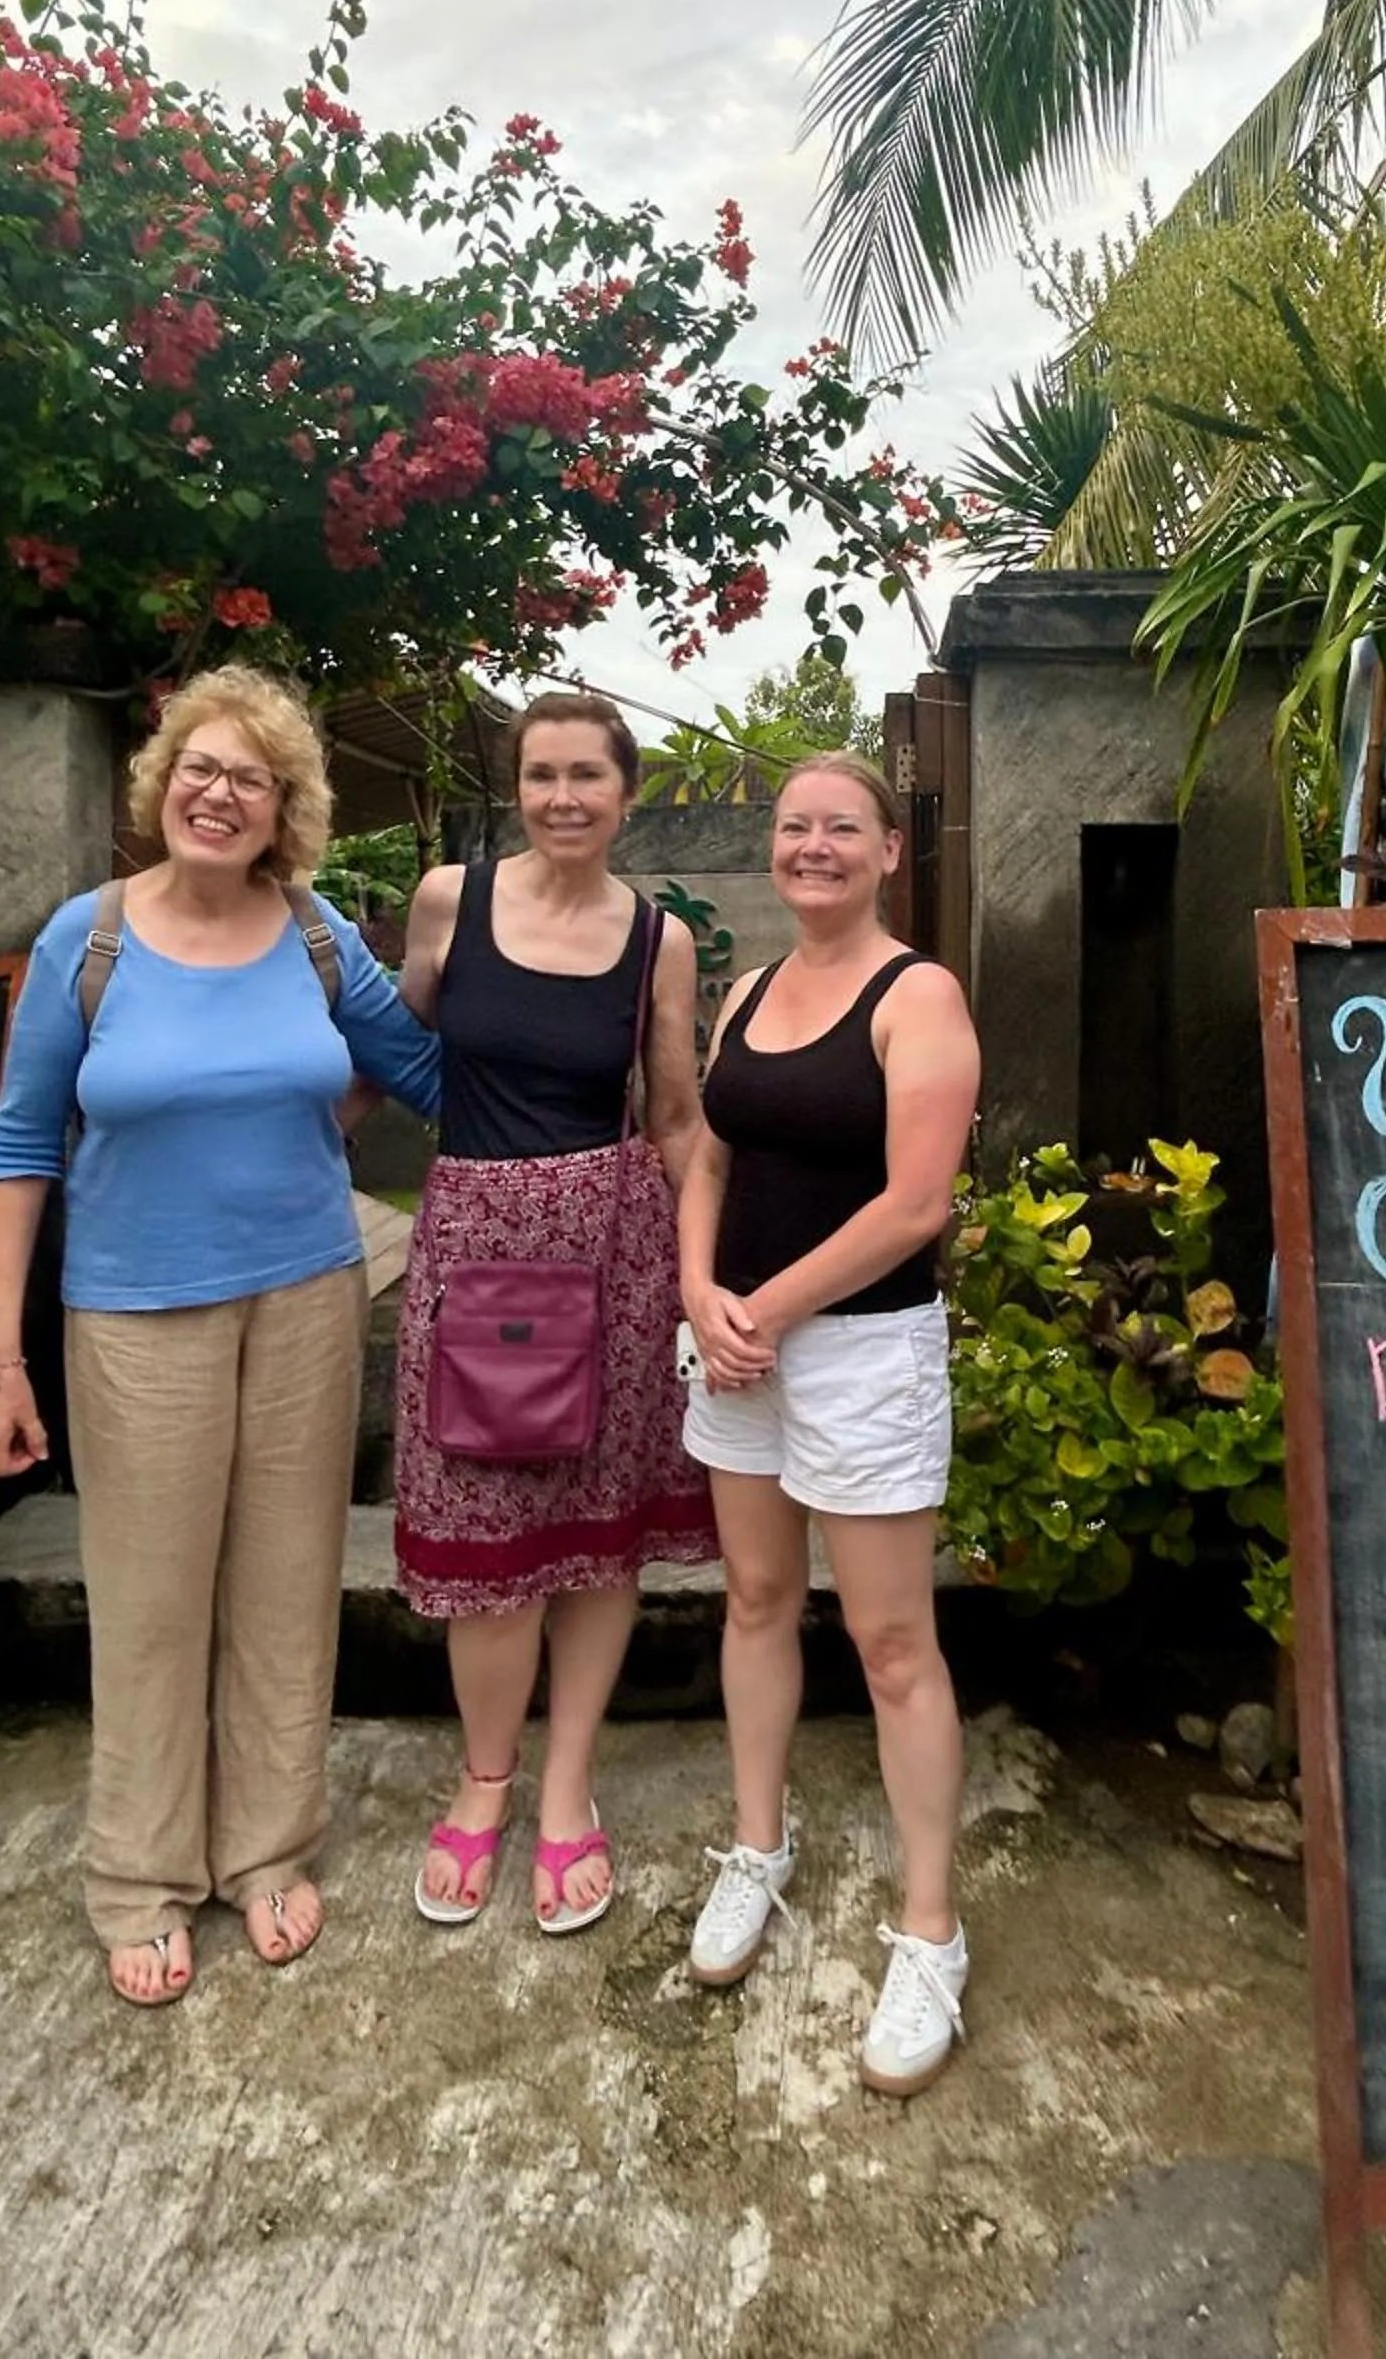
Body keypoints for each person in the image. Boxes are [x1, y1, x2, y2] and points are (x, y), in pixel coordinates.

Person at [0, 664, 441, 2008]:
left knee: (286, 1588)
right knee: (153, 1600)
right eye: (199, 767)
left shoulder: (309, 934)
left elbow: (420, 1069)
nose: (218, 793)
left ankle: (268, 1849)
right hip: (131, 1315)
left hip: (303, 1296)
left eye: (251, 777)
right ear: (160, 782)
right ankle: (138, 1876)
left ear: (284, 809)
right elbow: (16, 1144)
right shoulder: (90, 938)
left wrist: (576, 1034)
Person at [677, 753, 981, 2097]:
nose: (812, 846)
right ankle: (759, 1846)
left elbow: (917, 1204)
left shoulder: (917, 994)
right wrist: (701, 1290)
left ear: (884, 852)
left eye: (838, 828)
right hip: (738, 1345)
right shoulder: (745, 990)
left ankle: (932, 1930)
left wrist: (768, 1306)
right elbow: (709, 1154)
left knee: (891, 1640)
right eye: (794, 827)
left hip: (858, 1353)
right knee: (752, 1597)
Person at [393, 693, 716, 1933]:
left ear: (628, 792)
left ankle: (568, 1784)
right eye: (541, 775)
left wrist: (705, 1271)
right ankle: (485, 1785)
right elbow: (395, 1038)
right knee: (488, 1539)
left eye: (589, 774)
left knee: (595, 1529)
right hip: (473, 1245)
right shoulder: (447, 899)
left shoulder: (659, 942)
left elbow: (676, 1115)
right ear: (515, 788)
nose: (564, 796)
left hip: (613, 1251)